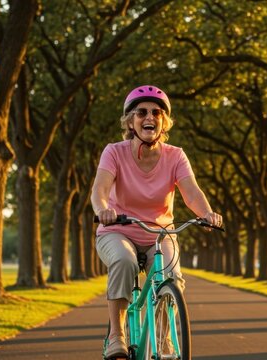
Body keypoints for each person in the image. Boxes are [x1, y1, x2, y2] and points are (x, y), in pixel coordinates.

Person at [91, 85, 222, 359]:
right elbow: (100, 190)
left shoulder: (176, 156)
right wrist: (103, 209)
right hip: (117, 230)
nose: (149, 116)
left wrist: (207, 213)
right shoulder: (114, 152)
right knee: (124, 261)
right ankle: (117, 335)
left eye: (156, 112)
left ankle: (164, 342)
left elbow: (192, 193)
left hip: (160, 234)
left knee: (170, 276)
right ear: (130, 121)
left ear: (164, 122)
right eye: (142, 112)